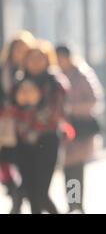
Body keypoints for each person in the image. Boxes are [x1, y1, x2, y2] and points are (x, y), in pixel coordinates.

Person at [10, 40, 69, 214]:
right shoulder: (19, 81)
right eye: (31, 58)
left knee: (41, 192)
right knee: (29, 191)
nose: (35, 62)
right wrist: (19, 103)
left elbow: (58, 113)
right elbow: (11, 111)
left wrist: (36, 102)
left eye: (39, 58)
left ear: (47, 60)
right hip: (23, 143)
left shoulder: (55, 82)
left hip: (47, 141)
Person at [56, 45, 104, 213]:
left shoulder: (81, 75)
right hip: (63, 130)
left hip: (80, 130)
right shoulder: (56, 75)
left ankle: (76, 204)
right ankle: (72, 204)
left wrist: (71, 108)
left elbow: (94, 101)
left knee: (75, 169)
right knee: (68, 169)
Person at [0, 31, 35, 213]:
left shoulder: (31, 71)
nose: (19, 52)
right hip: (5, 127)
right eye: (17, 48)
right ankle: (14, 194)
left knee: (23, 166)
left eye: (23, 49)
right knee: (4, 162)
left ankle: (18, 199)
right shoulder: (4, 70)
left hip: (24, 127)